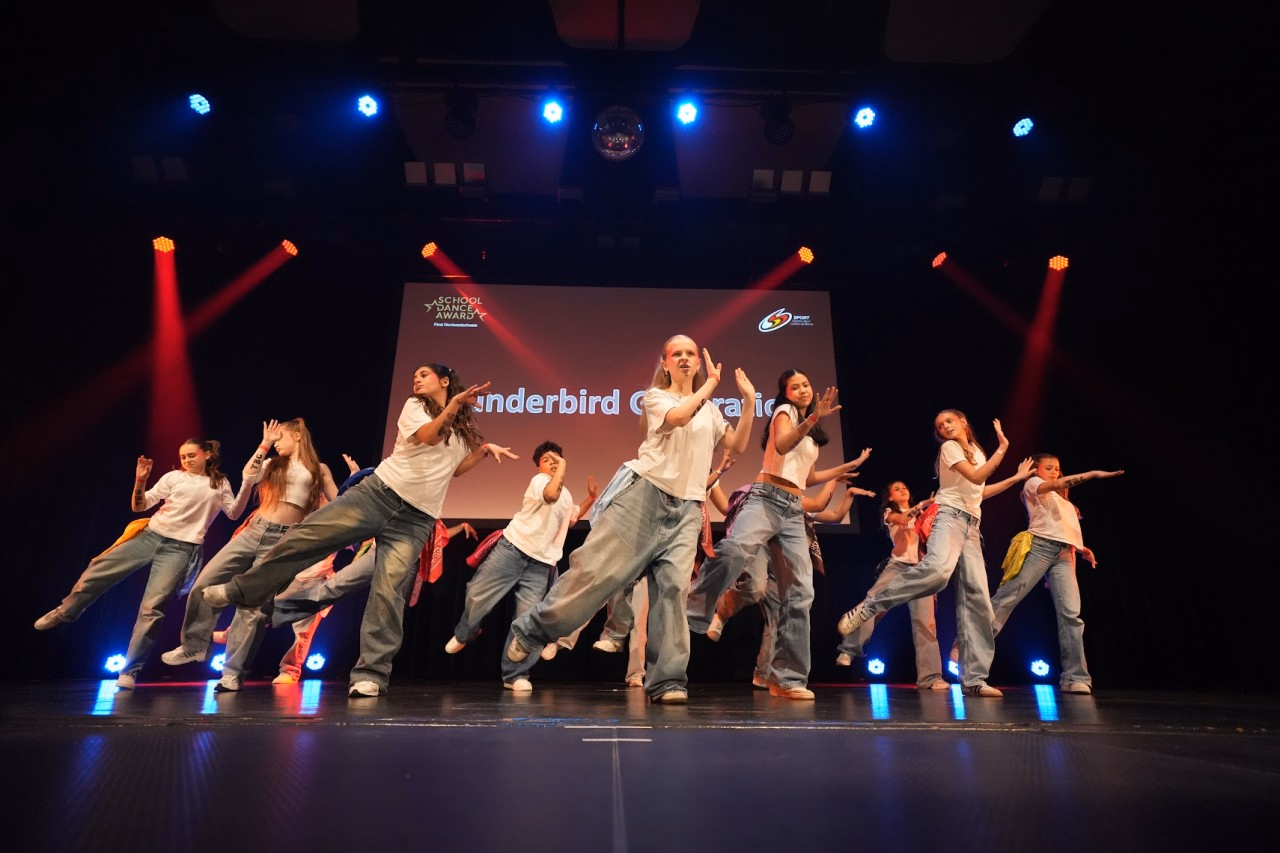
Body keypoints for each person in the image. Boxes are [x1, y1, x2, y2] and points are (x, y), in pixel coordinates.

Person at [201, 363, 516, 698]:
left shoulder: (458, 429)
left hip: (417, 518)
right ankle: (239, 590)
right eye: (415, 375)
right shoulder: (415, 408)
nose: (417, 378)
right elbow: (428, 437)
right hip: (378, 495)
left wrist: (482, 451)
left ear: (445, 380)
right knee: (306, 539)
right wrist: (454, 406)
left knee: (389, 593)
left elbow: (454, 468)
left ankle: (370, 675)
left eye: (424, 374)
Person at [501, 334, 755, 704]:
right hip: (643, 497)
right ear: (664, 363)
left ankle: (667, 681)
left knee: (671, 591)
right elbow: (680, 417)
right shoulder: (657, 398)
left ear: (697, 362)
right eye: (676, 354)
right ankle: (531, 631)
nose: (684, 358)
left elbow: (738, 445)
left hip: (686, 510)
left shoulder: (713, 412)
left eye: (690, 353)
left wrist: (748, 402)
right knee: (596, 575)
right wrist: (712, 386)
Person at [686, 368, 871, 700]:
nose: (802, 389)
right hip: (766, 499)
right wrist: (813, 416)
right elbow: (783, 446)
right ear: (785, 394)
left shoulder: (811, 433)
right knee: (736, 548)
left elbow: (807, 475)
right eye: (794, 387)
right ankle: (695, 608)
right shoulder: (785, 414)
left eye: (805, 384)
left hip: (793, 509)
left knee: (801, 591)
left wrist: (841, 469)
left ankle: (787, 678)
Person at [837, 410, 1033, 698]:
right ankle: (870, 606)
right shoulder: (950, 448)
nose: (944, 427)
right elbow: (978, 475)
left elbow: (980, 490)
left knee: (978, 598)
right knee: (938, 572)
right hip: (949, 517)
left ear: (964, 422)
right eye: (940, 426)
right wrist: (1003, 449)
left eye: (949, 422)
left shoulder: (977, 450)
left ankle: (975, 678)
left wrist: (1015, 478)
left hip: (972, 524)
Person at [34, 438, 253, 688]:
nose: (186, 460)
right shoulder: (174, 477)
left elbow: (234, 513)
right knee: (98, 569)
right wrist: (141, 479)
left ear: (206, 455)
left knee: (152, 608)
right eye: (182, 456)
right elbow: (140, 506)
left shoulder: (219, 483)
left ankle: (129, 671)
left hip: (181, 549)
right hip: (150, 536)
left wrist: (248, 482)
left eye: (191, 455)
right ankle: (66, 611)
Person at [159, 418, 339, 691]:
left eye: (280, 438)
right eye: (274, 441)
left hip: (283, 541)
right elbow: (249, 476)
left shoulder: (318, 469)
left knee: (254, 608)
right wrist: (264, 444)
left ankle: (232, 673)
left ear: (298, 436)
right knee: (205, 583)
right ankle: (194, 646)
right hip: (254, 531)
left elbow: (339, 505)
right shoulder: (271, 464)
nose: (276, 444)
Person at [959, 454, 1124, 695]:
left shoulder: (1063, 501)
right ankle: (971, 670)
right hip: (1039, 547)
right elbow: (1056, 488)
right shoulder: (1033, 484)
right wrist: (1092, 474)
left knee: (1071, 615)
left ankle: (1074, 677)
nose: (1055, 472)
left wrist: (1082, 548)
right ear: (1036, 470)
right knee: (1005, 601)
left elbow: (1064, 528)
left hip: (1065, 554)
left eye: (1057, 468)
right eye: (1049, 468)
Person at [444, 441, 598, 693]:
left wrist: (590, 498)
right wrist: (563, 466)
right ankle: (466, 632)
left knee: (526, 622)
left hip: (541, 563)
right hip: (512, 549)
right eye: (547, 459)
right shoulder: (539, 482)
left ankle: (515, 675)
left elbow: (572, 516)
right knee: (477, 593)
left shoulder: (566, 494)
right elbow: (550, 496)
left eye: (556, 459)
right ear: (539, 466)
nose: (552, 462)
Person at [707, 476, 872, 689]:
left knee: (778, 617)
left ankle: (764, 673)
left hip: (784, 559)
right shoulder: (768, 496)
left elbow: (835, 515)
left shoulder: (798, 504)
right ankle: (721, 612)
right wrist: (715, 477)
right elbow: (724, 507)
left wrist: (848, 495)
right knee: (754, 586)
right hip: (761, 548)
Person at [835, 481, 949, 690]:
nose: (903, 489)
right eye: (897, 489)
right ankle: (849, 650)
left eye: (905, 487)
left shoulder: (925, 514)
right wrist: (924, 504)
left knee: (926, 623)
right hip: (897, 567)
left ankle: (930, 677)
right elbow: (902, 519)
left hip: (921, 570)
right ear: (890, 498)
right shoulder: (889, 512)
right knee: (871, 605)